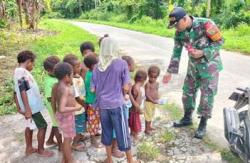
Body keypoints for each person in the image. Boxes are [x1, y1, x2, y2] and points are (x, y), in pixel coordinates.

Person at [163, 7, 223, 139]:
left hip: (209, 67)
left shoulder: (206, 24)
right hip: (193, 67)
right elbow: (176, 52)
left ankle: (203, 123)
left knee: (207, 95)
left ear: (185, 19)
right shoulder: (179, 32)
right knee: (187, 93)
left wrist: (203, 52)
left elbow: (219, 41)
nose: (176, 28)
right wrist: (169, 71)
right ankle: (187, 117)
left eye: (176, 24)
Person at [91, 37, 139, 163]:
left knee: (106, 132)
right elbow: (125, 86)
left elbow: (92, 90)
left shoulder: (96, 67)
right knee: (122, 132)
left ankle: (109, 159)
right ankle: (130, 160)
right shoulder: (121, 63)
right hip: (117, 104)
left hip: (103, 105)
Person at [13, 50, 54, 157]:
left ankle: (29, 148)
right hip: (31, 108)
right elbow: (22, 91)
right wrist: (27, 109)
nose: (33, 65)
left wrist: (18, 107)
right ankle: (41, 150)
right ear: (28, 62)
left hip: (29, 107)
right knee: (43, 126)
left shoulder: (17, 72)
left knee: (29, 126)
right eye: (33, 63)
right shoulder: (22, 72)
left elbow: (14, 91)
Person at [52, 62, 82, 163]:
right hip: (66, 117)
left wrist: (54, 113)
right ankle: (70, 160)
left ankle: (64, 159)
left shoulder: (56, 85)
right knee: (68, 140)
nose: (73, 76)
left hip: (63, 117)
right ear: (66, 76)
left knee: (67, 138)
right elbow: (62, 108)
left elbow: (53, 102)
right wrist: (76, 108)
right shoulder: (65, 89)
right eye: (72, 74)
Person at [63, 54, 86, 151]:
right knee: (78, 126)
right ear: (70, 69)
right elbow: (76, 97)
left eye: (79, 65)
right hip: (78, 109)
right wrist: (84, 104)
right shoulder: (72, 81)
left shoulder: (77, 77)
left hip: (80, 107)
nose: (80, 68)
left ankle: (79, 137)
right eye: (77, 67)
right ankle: (75, 144)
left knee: (79, 125)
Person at [43, 56, 62, 150]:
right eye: (55, 70)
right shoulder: (49, 82)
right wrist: (57, 109)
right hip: (53, 106)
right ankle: (60, 146)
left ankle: (50, 140)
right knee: (57, 125)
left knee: (56, 123)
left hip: (58, 105)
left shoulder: (55, 77)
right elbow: (50, 98)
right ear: (48, 70)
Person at [83, 53, 102, 148]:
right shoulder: (92, 75)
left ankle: (94, 133)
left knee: (95, 119)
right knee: (93, 120)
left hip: (92, 100)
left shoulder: (89, 73)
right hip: (93, 101)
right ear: (92, 65)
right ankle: (93, 139)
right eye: (98, 63)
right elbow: (95, 89)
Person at [129, 70, 147, 141]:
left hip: (131, 110)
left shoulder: (133, 86)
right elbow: (136, 104)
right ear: (144, 80)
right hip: (135, 110)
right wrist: (140, 110)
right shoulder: (138, 89)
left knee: (132, 123)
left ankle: (132, 134)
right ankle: (135, 137)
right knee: (135, 125)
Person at [144, 65, 160, 135]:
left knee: (151, 115)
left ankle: (149, 126)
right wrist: (152, 100)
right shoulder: (147, 84)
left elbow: (156, 91)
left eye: (155, 77)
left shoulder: (157, 83)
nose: (153, 79)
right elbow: (147, 95)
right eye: (151, 77)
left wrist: (158, 98)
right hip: (148, 103)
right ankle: (146, 129)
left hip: (154, 102)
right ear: (148, 75)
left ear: (157, 76)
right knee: (148, 115)